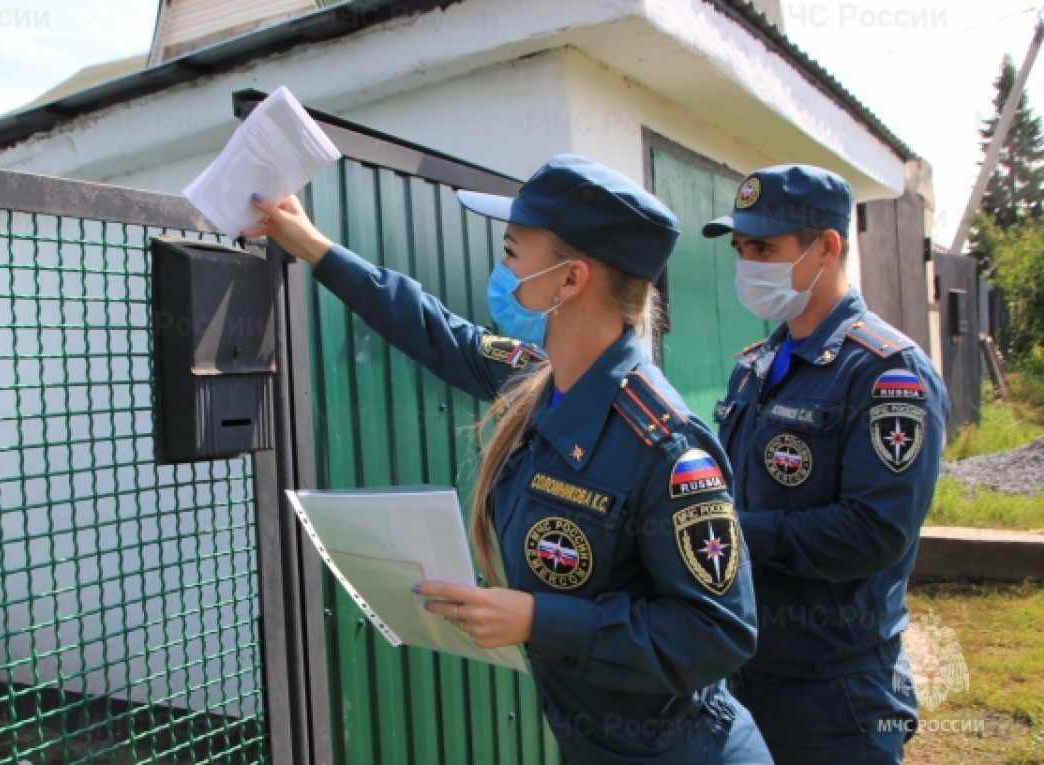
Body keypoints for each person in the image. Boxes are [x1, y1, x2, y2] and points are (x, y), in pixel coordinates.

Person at [243, 154, 772, 764]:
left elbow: (719, 634)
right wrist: (313, 247)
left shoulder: (667, 445)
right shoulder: (543, 380)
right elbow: (438, 331)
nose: (500, 271)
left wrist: (541, 620)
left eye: (512, 252)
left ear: (570, 281)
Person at [702, 165, 948, 764]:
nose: (747, 263)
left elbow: (874, 533)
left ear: (827, 247)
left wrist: (729, 532)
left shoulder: (887, 373)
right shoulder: (754, 366)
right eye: (741, 249)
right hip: (747, 665)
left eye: (763, 247)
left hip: (835, 687)